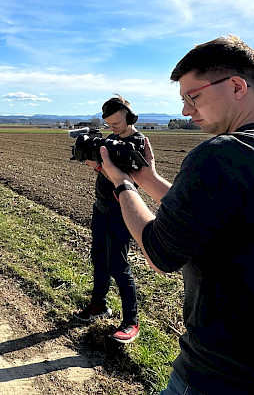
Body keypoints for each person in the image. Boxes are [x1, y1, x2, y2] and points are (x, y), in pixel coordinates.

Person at [97, 36, 254, 393]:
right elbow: (209, 217)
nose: (187, 111)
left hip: (220, 370)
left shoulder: (220, 154)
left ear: (236, 86)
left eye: (193, 96)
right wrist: (150, 179)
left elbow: (160, 253)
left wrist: (122, 184)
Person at [72, 95, 144, 344]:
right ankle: (98, 305)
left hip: (122, 211)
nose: (112, 127)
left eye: (116, 122)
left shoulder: (138, 143)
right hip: (100, 208)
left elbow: (132, 179)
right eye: (109, 124)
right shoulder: (111, 139)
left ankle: (131, 322)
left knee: (119, 265)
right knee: (98, 258)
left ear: (129, 116)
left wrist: (101, 167)